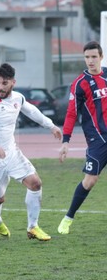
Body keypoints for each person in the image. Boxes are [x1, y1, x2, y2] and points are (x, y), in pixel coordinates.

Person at [0, 63, 62, 241]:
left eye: (4, 83)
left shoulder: (18, 98)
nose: (0, 87)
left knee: (35, 183)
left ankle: (33, 227)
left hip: (11, 153)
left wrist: (51, 125)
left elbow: (32, 111)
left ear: (13, 82)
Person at [58, 41, 107, 234]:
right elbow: (71, 114)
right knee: (90, 181)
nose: (90, 61)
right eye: (87, 57)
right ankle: (68, 218)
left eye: (94, 56)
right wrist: (65, 141)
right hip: (97, 139)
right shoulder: (80, 84)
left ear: (101, 57)